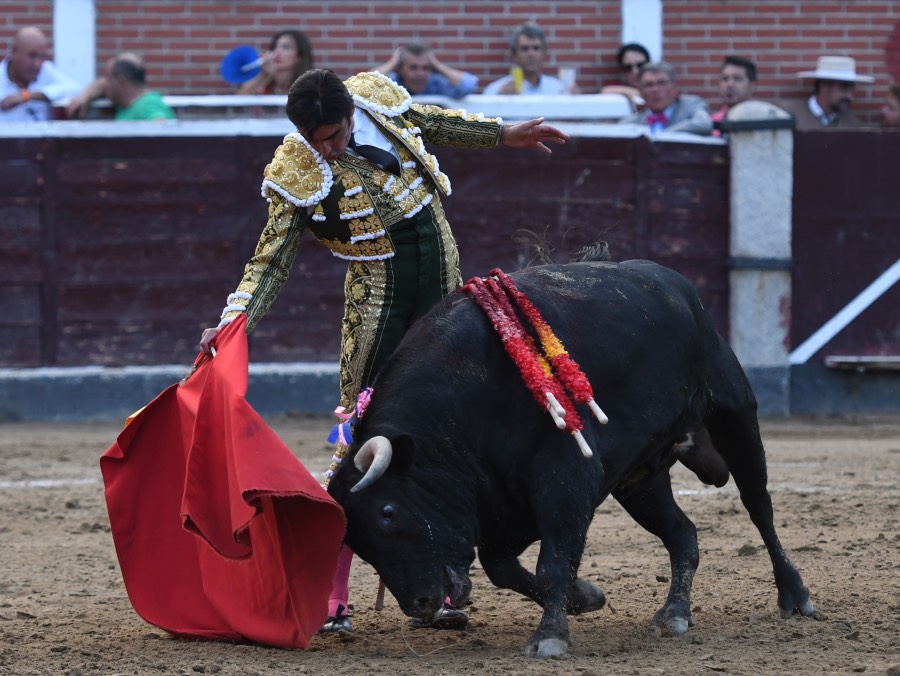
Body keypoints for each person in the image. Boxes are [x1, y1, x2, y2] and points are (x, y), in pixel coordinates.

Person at [197, 68, 568, 633]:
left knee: (452, 433)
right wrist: (233, 321)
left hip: (441, 280)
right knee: (354, 431)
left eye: (336, 134)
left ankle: (445, 583)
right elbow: (270, 259)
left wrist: (503, 133)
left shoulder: (375, 99)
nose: (328, 147)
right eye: (317, 140)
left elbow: (434, 121)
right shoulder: (297, 169)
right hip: (377, 297)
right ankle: (332, 595)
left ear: (352, 113)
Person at [0, 26, 80, 121]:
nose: (37, 64)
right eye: (31, 55)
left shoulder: (45, 70)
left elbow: (74, 89)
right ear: (14, 51)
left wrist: (27, 96)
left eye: (42, 56)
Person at [66, 52, 175, 120]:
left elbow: (163, 131)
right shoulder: (128, 101)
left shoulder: (149, 106)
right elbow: (101, 85)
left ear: (120, 82)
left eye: (108, 78)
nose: (105, 83)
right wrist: (83, 97)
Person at [777, 55, 874, 129]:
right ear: (824, 86)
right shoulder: (789, 115)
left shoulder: (851, 124)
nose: (850, 96)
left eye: (851, 89)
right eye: (843, 88)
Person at [619, 61, 713, 136]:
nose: (655, 90)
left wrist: (663, 135)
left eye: (661, 83)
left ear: (674, 87)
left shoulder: (690, 105)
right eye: (649, 85)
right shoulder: (633, 122)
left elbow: (704, 124)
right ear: (641, 91)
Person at [483, 22, 570, 95]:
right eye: (525, 48)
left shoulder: (559, 90)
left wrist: (574, 99)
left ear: (544, 53)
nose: (531, 54)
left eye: (536, 48)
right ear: (515, 55)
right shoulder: (496, 91)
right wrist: (499, 101)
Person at [374, 42, 477, 99]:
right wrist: (393, 63)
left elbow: (468, 86)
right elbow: (365, 84)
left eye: (425, 68)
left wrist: (437, 65)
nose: (420, 73)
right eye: (413, 68)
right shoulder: (393, 82)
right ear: (400, 69)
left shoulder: (435, 83)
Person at [236, 30, 314, 95]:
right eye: (275, 47)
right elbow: (238, 102)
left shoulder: (308, 88)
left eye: (286, 47)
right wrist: (263, 75)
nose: (277, 52)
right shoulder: (264, 83)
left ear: (299, 57)